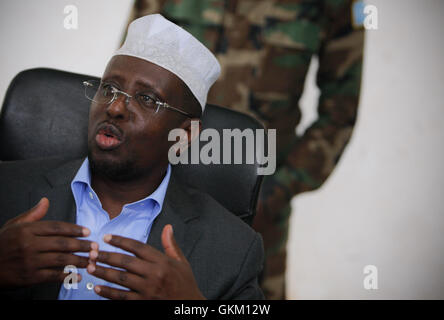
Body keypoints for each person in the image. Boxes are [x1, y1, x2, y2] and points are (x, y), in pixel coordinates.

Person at [0, 14, 264, 300]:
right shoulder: (6, 188)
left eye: (147, 99)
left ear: (185, 134)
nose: (115, 108)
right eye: (109, 89)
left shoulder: (233, 248)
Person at [128, 0, 365, 299]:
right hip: (161, 196)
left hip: (258, 213)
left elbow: (341, 112)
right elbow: (131, 72)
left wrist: (277, 190)